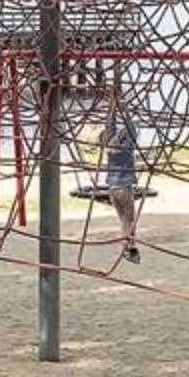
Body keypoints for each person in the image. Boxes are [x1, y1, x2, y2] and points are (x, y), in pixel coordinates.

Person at [84, 92, 145, 262]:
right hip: (124, 188)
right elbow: (131, 128)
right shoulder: (126, 147)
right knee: (130, 219)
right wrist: (124, 110)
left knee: (122, 219)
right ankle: (130, 248)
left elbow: (110, 124)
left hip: (112, 189)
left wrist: (112, 105)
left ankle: (126, 246)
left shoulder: (111, 145)